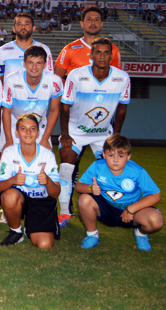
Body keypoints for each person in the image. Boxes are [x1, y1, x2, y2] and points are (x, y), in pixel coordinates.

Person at [58, 37, 130, 228]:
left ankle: (112, 208)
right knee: (66, 165)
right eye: (98, 52)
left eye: (106, 52)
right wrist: (64, 133)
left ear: (111, 55)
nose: (102, 56)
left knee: (114, 167)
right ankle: (64, 212)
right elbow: (65, 107)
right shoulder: (76, 75)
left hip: (102, 134)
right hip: (76, 131)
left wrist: (116, 135)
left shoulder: (122, 78)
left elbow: (122, 108)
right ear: (91, 55)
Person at [75, 134, 163, 251]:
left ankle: (140, 234)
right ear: (104, 155)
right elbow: (78, 187)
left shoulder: (137, 171)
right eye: (111, 155)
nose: (115, 160)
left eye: (121, 156)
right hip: (106, 210)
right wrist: (90, 188)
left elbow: (156, 195)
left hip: (131, 213)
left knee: (156, 220)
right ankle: (92, 235)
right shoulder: (97, 166)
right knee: (84, 199)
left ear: (128, 157)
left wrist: (131, 209)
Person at [0, 114, 61, 248]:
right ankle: (16, 231)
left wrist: (48, 181)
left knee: (45, 245)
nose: (28, 132)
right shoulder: (9, 152)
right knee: (9, 196)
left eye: (32, 129)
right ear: (17, 132)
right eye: (23, 129)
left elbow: (55, 194)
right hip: (19, 199)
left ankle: (31, 225)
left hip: (41, 202)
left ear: (38, 133)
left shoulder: (47, 155)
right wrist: (13, 180)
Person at [1, 46, 63, 150]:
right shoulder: (11, 80)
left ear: (45, 64)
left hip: (40, 125)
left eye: (38, 63)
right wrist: (9, 140)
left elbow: (54, 110)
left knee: (45, 161)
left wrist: (45, 138)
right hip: (14, 124)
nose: (34, 67)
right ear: (24, 63)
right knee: (9, 160)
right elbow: (6, 112)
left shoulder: (54, 81)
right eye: (30, 62)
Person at [54, 6, 122, 81]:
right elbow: (56, 78)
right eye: (89, 19)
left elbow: (117, 79)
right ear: (82, 24)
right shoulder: (69, 49)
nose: (93, 22)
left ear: (101, 24)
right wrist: (70, 91)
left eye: (97, 19)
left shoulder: (113, 50)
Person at [0, 13, 53, 83]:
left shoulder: (45, 49)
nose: (23, 27)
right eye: (19, 24)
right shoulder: (3, 50)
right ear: (14, 29)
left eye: (27, 24)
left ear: (33, 28)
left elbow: (49, 78)